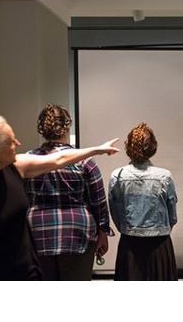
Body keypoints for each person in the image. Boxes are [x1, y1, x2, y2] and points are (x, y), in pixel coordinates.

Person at [0, 113, 118, 281]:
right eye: (10, 141)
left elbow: (59, 159)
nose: (17, 143)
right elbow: (97, 199)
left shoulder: (17, 166)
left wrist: (98, 149)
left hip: (26, 269)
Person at [23, 104, 112, 281]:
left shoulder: (29, 158)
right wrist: (103, 232)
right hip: (78, 232)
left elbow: (22, 197)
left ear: (42, 129)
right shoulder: (85, 160)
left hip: (38, 233)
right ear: (67, 126)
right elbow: (98, 201)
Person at [109, 123, 178, 281]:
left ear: (128, 147)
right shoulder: (165, 177)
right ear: (153, 147)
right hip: (160, 246)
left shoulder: (117, 176)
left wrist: (128, 228)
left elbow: (115, 213)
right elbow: (172, 216)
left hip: (129, 245)